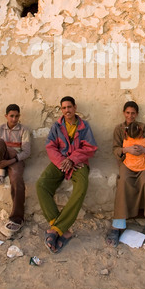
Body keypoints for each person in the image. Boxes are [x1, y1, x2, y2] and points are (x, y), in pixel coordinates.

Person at [36, 96, 97, 254]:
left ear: (75, 107)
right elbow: (50, 146)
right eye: (64, 108)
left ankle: (56, 230)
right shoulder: (57, 126)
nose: (67, 110)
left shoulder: (84, 126)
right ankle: (61, 228)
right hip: (60, 162)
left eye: (69, 107)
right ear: (61, 110)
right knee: (41, 185)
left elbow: (90, 147)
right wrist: (63, 161)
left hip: (78, 163)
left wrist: (73, 159)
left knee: (81, 188)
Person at [106, 101, 145, 250]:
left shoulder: (144, 128)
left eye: (133, 113)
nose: (130, 116)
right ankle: (117, 226)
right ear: (123, 113)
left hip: (144, 164)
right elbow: (115, 149)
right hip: (127, 163)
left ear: (136, 114)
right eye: (127, 113)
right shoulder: (118, 129)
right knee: (123, 181)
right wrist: (127, 150)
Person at [0, 104, 31, 237]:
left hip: (16, 160)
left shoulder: (23, 130)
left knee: (17, 180)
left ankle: (17, 218)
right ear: (6, 116)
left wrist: (12, 160)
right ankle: (0, 169)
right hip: (2, 158)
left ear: (19, 116)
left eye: (16, 116)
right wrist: (3, 160)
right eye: (11, 116)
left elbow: (27, 152)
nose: (14, 119)